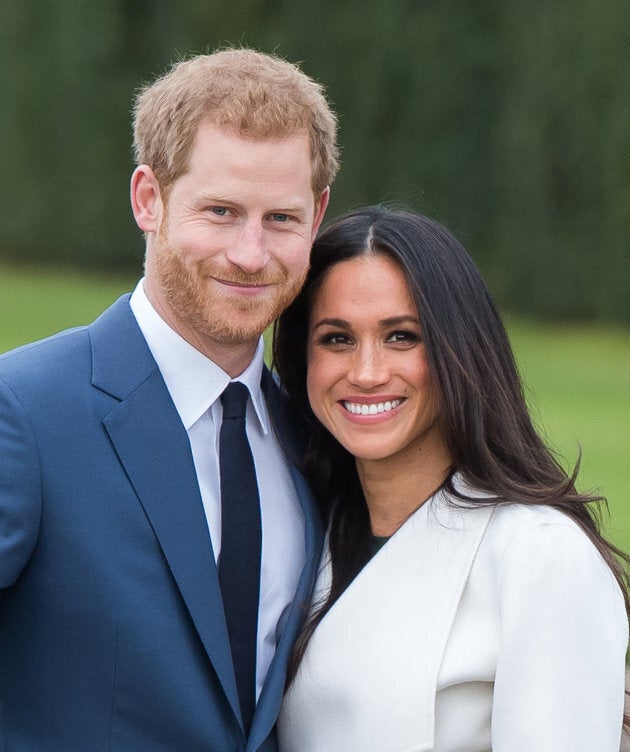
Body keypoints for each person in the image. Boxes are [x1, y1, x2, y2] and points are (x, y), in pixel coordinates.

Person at [0, 48, 338, 751]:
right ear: (148, 198)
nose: (251, 254)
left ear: (319, 213)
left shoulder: (315, 440)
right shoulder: (25, 412)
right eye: (220, 211)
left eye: (281, 218)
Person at [273, 206, 629, 751]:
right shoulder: (302, 528)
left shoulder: (538, 554)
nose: (367, 373)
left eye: (401, 337)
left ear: (459, 350)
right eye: (337, 339)